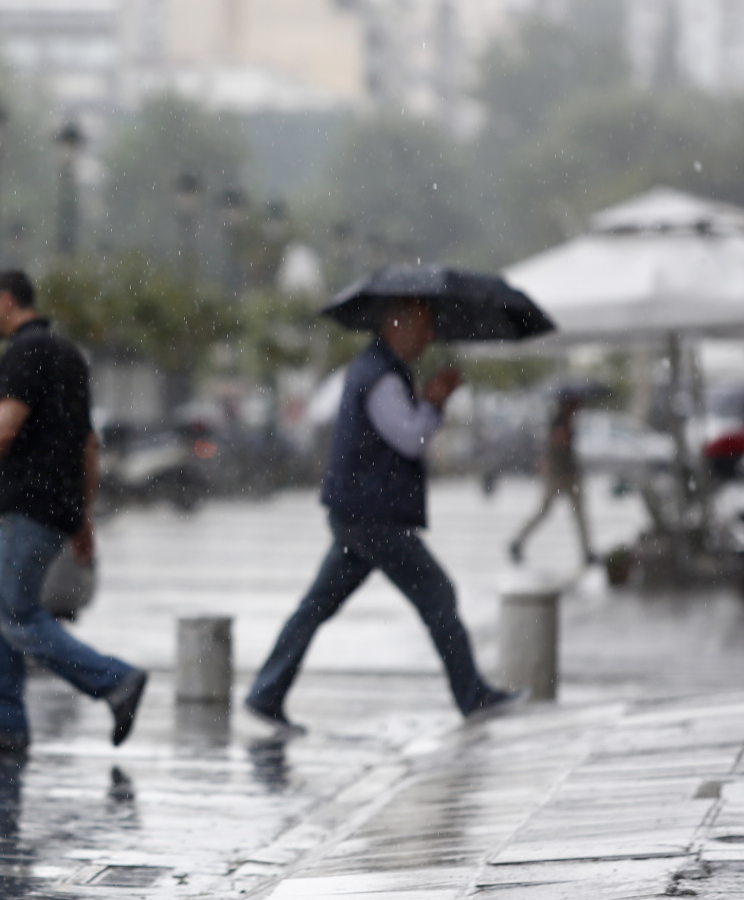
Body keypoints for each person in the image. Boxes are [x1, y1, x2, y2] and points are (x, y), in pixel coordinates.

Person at [246, 299, 523, 733]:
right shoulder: (380, 376)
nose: (428, 337)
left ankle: (266, 692)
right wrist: (433, 403)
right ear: (396, 326)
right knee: (437, 594)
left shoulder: (377, 370)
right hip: (371, 516)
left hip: (357, 513)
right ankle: (473, 696)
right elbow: (410, 438)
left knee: (316, 606)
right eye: (422, 327)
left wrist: (430, 400)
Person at [0, 270, 147, 758]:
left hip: (29, 504)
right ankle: (5, 727)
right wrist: (83, 517)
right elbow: (88, 443)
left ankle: (116, 681)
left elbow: (3, 430)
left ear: (7, 300)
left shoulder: (25, 354)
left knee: (16, 614)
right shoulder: (68, 355)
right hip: (53, 505)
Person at [509, 393, 595, 567]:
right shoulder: (559, 421)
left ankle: (587, 552)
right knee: (544, 511)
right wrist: (565, 434)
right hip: (559, 475)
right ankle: (517, 542)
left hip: (568, 474)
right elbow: (557, 442)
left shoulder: (565, 420)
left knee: (579, 514)